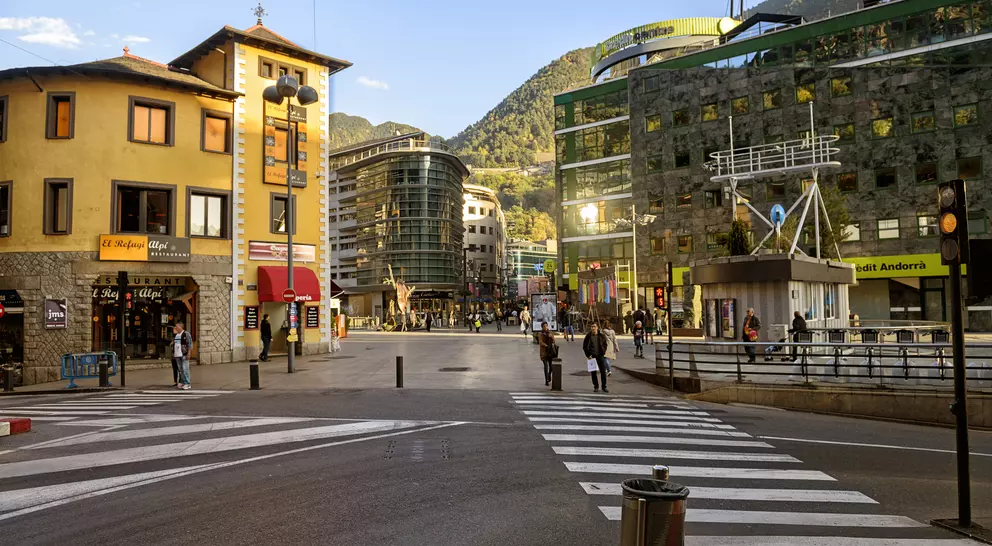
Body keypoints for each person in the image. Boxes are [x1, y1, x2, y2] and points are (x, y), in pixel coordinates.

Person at [582, 323, 609, 393]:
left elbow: (605, 344)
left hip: (600, 355)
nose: (593, 328)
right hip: (592, 356)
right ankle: (596, 386)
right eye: (592, 327)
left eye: (594, 327)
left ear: (597, 328)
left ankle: (604, 386)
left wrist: (603, 351)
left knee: (603, 371)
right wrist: (588, 355)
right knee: (593, 372)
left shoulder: (601, 336)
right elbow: (584, 346)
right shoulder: (588, 336)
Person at [173, 321, 193, 390]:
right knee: (180, 369)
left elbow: (189, 344)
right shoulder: (176, 335)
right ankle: (182, 382)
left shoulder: (186, 334)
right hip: (177, 354)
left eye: (177, 326)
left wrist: (189, 353)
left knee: (185, 369)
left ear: (180, 327)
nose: (175, 328)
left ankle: (187, 383)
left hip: (184, 354)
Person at [538, 321, 557, 387]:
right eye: (544, 326)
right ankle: (546, 380)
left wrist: (551, 337)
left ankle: (549, 375)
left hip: (550, 352)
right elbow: (540, 342)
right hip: (544, 352)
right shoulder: (540, 333)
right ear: (542, 327)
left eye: (546, 326)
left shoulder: (550, 333)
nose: (545, 327)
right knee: (546, 366)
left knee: (551, 367)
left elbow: (554, 341)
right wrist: (546, 345)